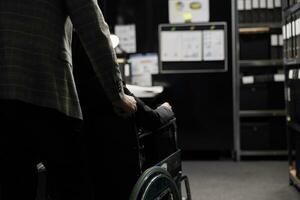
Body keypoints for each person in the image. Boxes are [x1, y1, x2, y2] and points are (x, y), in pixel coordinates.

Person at [0, 1, 137, 200]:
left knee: (14, 187)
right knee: (73, 185)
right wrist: (117, 95)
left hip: (4, 97)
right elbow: (94, 29)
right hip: (46, 89)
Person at [72, 32, 175, 199]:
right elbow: (152, 120)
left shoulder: (71, 90)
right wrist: (166, 109)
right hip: (121, 172)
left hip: (86, 172)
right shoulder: (115, 91)